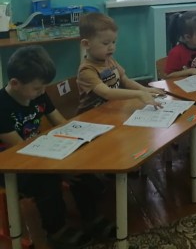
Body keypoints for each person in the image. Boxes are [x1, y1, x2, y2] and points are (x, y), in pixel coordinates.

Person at [0, 46, 114, 248]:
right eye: (37, 88)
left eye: (44, 87)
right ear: (15, 83)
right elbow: (20, 149)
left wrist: (79, 143)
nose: (42, 92)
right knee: (47, 181)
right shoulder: (2, 107)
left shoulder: (38, 94)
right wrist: (59, 171)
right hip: (10, 164)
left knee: (79, 167)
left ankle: (91, 217)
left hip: (38, 151)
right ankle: (56, 230)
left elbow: (62, 124)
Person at [77, 13, 164, 114]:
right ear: (86, 44)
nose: (112, 47)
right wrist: (139, 94)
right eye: (106, 43)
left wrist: (144, 89)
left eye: (113, 42)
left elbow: (124, 80)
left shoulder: (109, 59)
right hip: (92, 114)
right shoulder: (86, 70)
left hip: (110, 107)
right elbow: (107, 93)